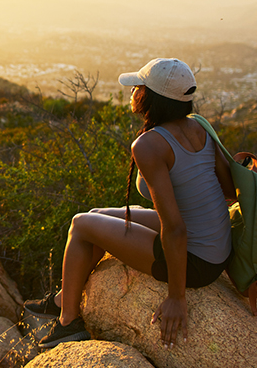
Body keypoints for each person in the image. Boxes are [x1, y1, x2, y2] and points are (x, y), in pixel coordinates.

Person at [24, 58, 236, 349]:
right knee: (98, 215)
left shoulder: (149, 144)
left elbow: (174, 229)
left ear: (151, 97)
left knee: (81, 224)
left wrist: (177, 297)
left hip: (196, 261)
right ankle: (64, 298)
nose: (133, 92)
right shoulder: (200, 127)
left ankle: (68, 323)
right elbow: (229, 190)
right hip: (216, 249)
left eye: (139, 87)